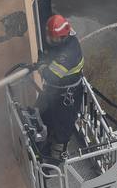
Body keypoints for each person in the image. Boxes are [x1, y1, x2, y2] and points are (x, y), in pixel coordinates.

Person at [34, 14, 84, 161]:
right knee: (40, 115)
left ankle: (54, 162)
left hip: (67, 97)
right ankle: (38, 146)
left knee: (62, 130)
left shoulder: (69, 53)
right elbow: (48, 54)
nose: (50, 40)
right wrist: (43, 59)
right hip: (53, 91)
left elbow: (50, 75)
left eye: (54, 38)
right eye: (50, 36)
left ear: (63, 37)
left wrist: (42, 66)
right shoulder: (59, 41)